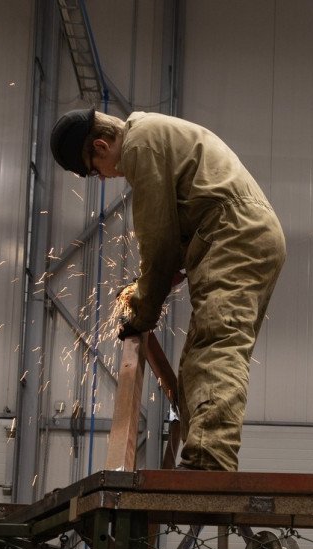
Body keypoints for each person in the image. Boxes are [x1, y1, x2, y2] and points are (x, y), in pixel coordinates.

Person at [49, 109, 287, 471]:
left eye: (95, 170)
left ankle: (209, 461)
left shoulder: (141, 144)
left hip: (234, 234)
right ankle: (202, 451)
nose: (104, 177)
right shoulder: (153, 135)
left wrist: (141, 310)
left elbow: (157, 244)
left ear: (100, 146)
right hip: (231, 234)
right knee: (194, 360)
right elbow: (171, 247)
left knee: (216, 344)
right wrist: (154, 283)